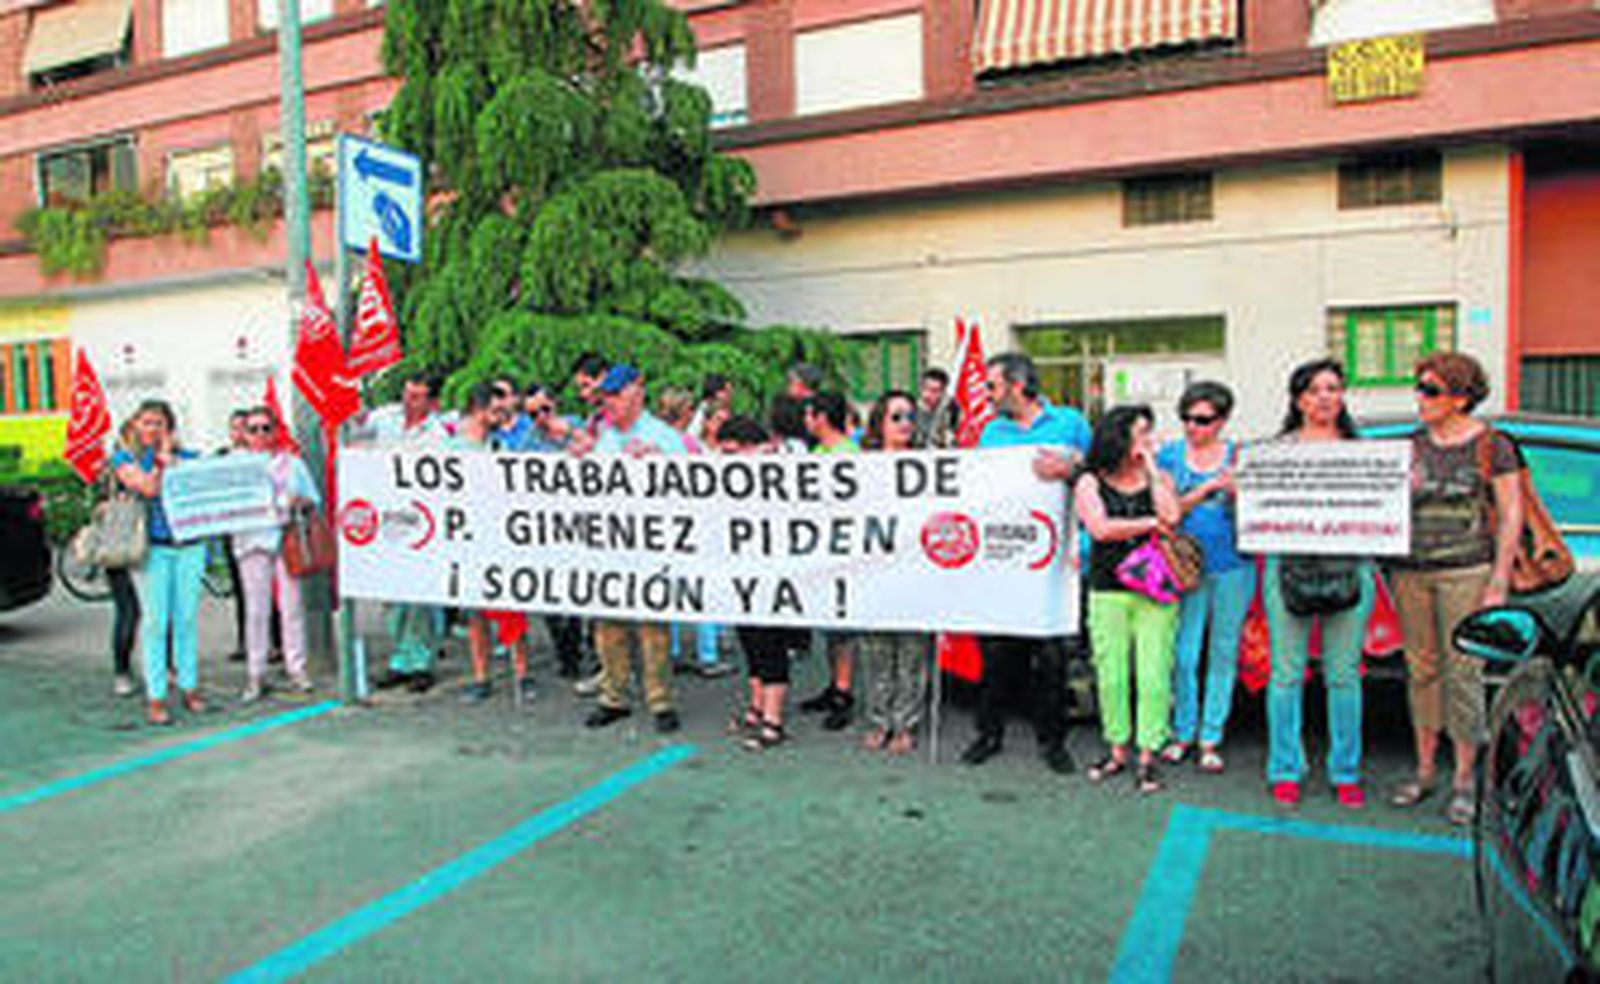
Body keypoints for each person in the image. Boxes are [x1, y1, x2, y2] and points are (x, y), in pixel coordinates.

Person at [1388, 353, 1523, 825]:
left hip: (1467, 570)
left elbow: (1511, 514)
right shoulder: (1409, 446)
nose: (1420, 398)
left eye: (1430, 390)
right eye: (1419, 387)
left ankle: (1465, 779)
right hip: (1410, 571)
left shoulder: (1493, 445)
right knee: (1421, 671)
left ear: (1461, 398)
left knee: (1463, 671)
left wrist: (1498, 580)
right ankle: (1425, 771)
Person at [962, 352, 1091, 774]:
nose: (988, 393)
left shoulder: (1071, 423)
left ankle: (1053, 741)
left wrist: (1071, 468)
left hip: (1055, 557)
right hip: (1003, 555)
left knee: (1052, 656)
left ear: (1018, 385)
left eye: (993, 385)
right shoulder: (991, 431)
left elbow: (1098, 476)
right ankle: (988, 733)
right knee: (996, 653)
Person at [1262, 358, 1376, 809]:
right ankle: (1285, 768)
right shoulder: (1274, 452)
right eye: (1314, 390)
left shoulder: (1365, 452)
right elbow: (1249, 513)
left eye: (1333, 388)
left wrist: (1402, 485)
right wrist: (1240, 491)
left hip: (1351, 565)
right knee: (1286, 674)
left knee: (1344, 675)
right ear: (1298, 400)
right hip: (1287, 566)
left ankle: (1346, 770)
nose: (1325, 397)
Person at [1077, 405, 1182, 794]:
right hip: (1107, 588)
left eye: (1149, 433)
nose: (1148, 440)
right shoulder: (1090, 481)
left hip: (1156, 589)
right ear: (1118, 437)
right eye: (1141, 433)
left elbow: (1172, 515)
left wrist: (1152, 468)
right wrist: (1150, 523)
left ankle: (1149, 754)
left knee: (1154, 675)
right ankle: (1117, 749)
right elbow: (1100, 529)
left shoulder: (1160, 477)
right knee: (1112, 674)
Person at [580, 365, 685, 733]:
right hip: (611, 546)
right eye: (605, 397)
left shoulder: (664, 436)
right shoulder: (606, 437)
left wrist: (660, 462)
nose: (608, 403)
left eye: (614, 395)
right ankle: (614, 695)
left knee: (653, 626)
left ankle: (660, 699)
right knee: (608, 625)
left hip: (650, 547)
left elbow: (690, 485)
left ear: (636, 394)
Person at [1156, 382, 1253, 774]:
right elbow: (1168, 510)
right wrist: (1210, 486)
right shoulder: (1169, 455)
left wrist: (1239, 493)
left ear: (1222, 420)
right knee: (1184, 654)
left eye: (1203, 420)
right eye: (1187, 418)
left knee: (1224, 653)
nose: (1193, 427)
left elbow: (1261, 510)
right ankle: (1183, 731)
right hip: (1186, 566)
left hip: (1234, 564)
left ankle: (1210, 736)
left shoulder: (1240, 455)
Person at [719, 415, 811, 751]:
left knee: (770, 642)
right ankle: (757, 707)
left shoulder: (785, 472)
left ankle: (773, 720)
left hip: (774, 574)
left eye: (733, 453)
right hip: (743, 571)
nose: (726, 461)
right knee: (750, 640)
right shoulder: (730, 480)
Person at [112, 399, 204, 726]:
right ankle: (157, 695)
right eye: (147, 422)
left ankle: (189, 686)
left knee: (186, 620)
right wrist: (162, 461)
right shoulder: (125, 459)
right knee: (155, 623)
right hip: (153, 550)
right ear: (136, 424)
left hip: (189, 546)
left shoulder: (188, 458)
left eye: (159, 423)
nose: (152, 428)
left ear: (170, 427)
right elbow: (149, 488)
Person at [450, 384, 536, 706]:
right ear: (479, 409)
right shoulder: (452, 449)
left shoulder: (501, 447)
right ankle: (481, 676)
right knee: (476, 614)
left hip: (501, 538)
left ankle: (522, 673)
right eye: (497, 411)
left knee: (512, 609)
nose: (503, 417)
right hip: (469, 539)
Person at [859, 390, 933, 754]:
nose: (905, 424)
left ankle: (906, 723)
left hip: (915, 569)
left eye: (910, 417)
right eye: (896, 417)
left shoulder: (931, 465)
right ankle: (879, 720)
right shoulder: (861, 467)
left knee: (913, 652)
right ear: (880, 424)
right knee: (876, 650)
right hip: (874, 570)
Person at [232, 407, 319, 701]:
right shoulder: (235, 466)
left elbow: (313, 499)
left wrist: (299, 502)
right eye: (253, 429)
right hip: (251, 542)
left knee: (292, 608)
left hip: (286, 539)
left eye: (265, 428)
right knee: (256, 611)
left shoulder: (293, 464)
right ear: (244, 434)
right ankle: (255, 674)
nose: (260, 435)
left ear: (276, 431)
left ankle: (297, 669)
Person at [368, 372, 447, 693]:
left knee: (420, 598)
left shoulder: (437, 434)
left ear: (431, 402)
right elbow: (356, 434)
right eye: (406, 394)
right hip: (388, 518)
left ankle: (422, 663)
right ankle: (401, 659)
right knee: (393, 597)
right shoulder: (384, 420)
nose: (407, 401)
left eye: (416, 396)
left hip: (421, 520)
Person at [656, 386, 734, 679]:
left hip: (665, 523)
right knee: (703, 587)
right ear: (686, 412)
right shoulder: (690, 446)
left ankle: (672, 651)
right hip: (695, 522)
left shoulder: (654, 442)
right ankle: (707, 654)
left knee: (672, 588)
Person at [797, 391, 861, 731]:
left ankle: (844, 692)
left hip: (843, 552)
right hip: (820, 551)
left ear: (822, 417)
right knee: (828, 625)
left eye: (809, 414)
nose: (805, 421)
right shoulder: (818, 452)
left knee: (843, 628)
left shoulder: (848, 453)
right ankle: (834, 685)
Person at [106, 417, 143, 697]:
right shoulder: (120, 462)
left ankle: (163, 667)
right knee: (129, 610)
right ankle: (121, 671)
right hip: (122, 543)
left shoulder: (150, 459)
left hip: (146, 544)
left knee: (153, 611)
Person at [914, 368, 960, 449]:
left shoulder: (952, 409)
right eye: (924, 388)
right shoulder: (912, 408)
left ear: (943, 392)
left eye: (934, 391)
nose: (927, 395)